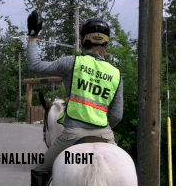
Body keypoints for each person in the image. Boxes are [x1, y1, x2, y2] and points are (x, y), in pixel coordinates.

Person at [25, 10, 123, 186]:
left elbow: (35, 65)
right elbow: (117, 115)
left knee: (39, 170)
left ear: (84, 39)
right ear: (106, 42)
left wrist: (33, 37)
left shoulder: (72, 63)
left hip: (73, 134)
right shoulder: (116, 74)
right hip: (105, 134)